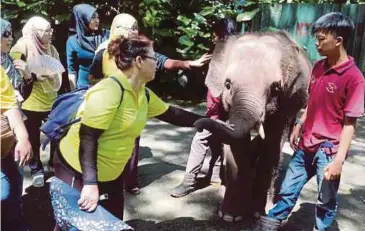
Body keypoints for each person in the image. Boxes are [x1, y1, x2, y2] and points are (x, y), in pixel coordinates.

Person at [54, 35, 209, 222]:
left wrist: (208, 122)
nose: (157, 64)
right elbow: (88, 137)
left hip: (112, 174)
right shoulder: (109, 91)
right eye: (154, 59)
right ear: (139, 61)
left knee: (112, 222)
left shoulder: (143, 93)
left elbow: (172, 114)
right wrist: (90, 183)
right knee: (73, 223)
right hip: (77, 171)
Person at [258, 12, 365, 231]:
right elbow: (312, 102)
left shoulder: (354, 78)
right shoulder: (317, 67)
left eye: (321, 39)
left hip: (329, 150)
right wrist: (299, 124)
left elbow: (350, 124)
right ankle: (271, 221)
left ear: (338, 40)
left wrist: (339, 161)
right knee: (288, 187)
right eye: (316, 37)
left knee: (325, 199)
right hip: (307, 143)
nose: (316, 43)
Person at [89, 13, 212, 195]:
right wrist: (89, 183)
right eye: (131, 27)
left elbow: (164, 63)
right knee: (103, 143)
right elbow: (93, 76)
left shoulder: (143, 57)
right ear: (118, 29)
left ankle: (128, 181)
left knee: (131, 142)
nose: (135, 31)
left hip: (134, 104)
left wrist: (187, 64)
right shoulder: (103, 54)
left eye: (136, 26)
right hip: (109, 108)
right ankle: (99, 181)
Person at [171, 18, 237, 198]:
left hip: (218, 110)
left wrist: (213, 114)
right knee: (216, 141)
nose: (212, 38)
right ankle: (215, 176)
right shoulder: (234, 51)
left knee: (199, 140)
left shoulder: (223, 52)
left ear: (222, 35)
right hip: (225, 110)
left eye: (215, 35)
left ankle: (188, 182)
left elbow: (218, 87)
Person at [10, 16, 63, 187]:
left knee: (58, 133)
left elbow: (58, 69)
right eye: (47, 31)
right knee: (32, 138)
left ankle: (54, 164)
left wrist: (53, 75)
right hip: (30, 102)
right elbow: (13, 63)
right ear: (36, 32)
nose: (50, 33)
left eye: (51, 30)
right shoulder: (23, 45)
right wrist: (32, 74)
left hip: (51, 100)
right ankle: (36, 169)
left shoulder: (51, 49)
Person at [1, 20, 33, 229]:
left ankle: (16, 217)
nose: (10, 38)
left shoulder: (8, 63)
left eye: (11, 33)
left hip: (9, 134)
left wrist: (28, 75)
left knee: (14, 182)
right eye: (5, 34)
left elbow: (16, 101)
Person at [67, 3, 108, 89]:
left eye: (98, 17)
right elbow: (72, 71)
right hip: (83, 87)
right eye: (93, 17)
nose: (97, 21)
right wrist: (73, 93)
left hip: (105, 85)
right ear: (83, 19)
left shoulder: (106, 35)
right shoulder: (73, 41)